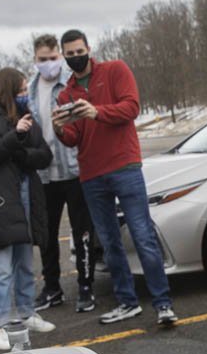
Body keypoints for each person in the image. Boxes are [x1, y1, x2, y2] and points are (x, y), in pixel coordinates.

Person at [52, 29, 177, 326]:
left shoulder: (115, 70)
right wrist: (59, 128)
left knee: (143, 236)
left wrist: (97, 112)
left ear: (88, 48)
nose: (75, 57)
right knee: (109, 243)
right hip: (92, 175)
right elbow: (72, 138)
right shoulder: (65, 93)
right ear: (64, 56)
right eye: (68, 54)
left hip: (125, 167)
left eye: (78, 51)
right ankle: (127, 302)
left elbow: (131, 108)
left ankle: (163, 304)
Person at [0, 67, 56, 350]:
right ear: (6, 91)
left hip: (26, 195)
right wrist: (16, 137)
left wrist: (20, 151)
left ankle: (26, 312)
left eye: (25, 91)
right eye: (20, 91)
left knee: (25, 263)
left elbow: (44, 155)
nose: (24, 96)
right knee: (0, 269)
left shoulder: (28, 117)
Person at [29, 33, 97, 314]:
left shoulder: (70, 87)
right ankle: (52, 287)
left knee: (82, 233)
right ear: (35, 60)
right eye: (43, 60)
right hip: (44, 175)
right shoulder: (30, 91)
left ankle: (85, 286)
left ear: (61, 56)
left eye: (53, 58)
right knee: (46, 236)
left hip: (74, 170)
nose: (49, 64)